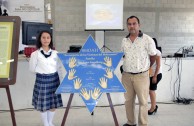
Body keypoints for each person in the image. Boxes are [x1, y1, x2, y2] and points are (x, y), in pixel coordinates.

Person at [121, 16, 157, 126]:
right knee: (128, 101)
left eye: (134, 23)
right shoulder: (124, 40)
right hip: (126, 76)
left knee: (143, 102)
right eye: (129, 24)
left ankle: (143, 124)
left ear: (139, 25)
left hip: (142, 76)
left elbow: (153, 56)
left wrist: (146, 68)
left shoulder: (147, 39)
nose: (132, 26)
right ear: (127, 26)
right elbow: (123, 56)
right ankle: (131, 122)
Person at [29, 30, 63, 126]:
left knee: (53, 103)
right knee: (43, 104)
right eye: (43, 37)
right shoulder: (35, 54)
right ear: (40, 39)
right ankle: (45, 123)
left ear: (50, 39)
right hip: (41, 80)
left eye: (48, 37)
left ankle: (50, 122)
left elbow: (59, 67)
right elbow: (32, 69)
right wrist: (42, 73)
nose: (46, 40)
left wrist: (61, 80)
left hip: (54, 80)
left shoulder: (56, 53)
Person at [148, 38, 162, 115]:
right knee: (149, 91)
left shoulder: (157, 52)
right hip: (150, 74)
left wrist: (155, 76)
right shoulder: (149, 52)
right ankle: (154, 106)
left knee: (151, 91)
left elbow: (158, 65)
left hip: (156, 74)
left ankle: (153, 108)